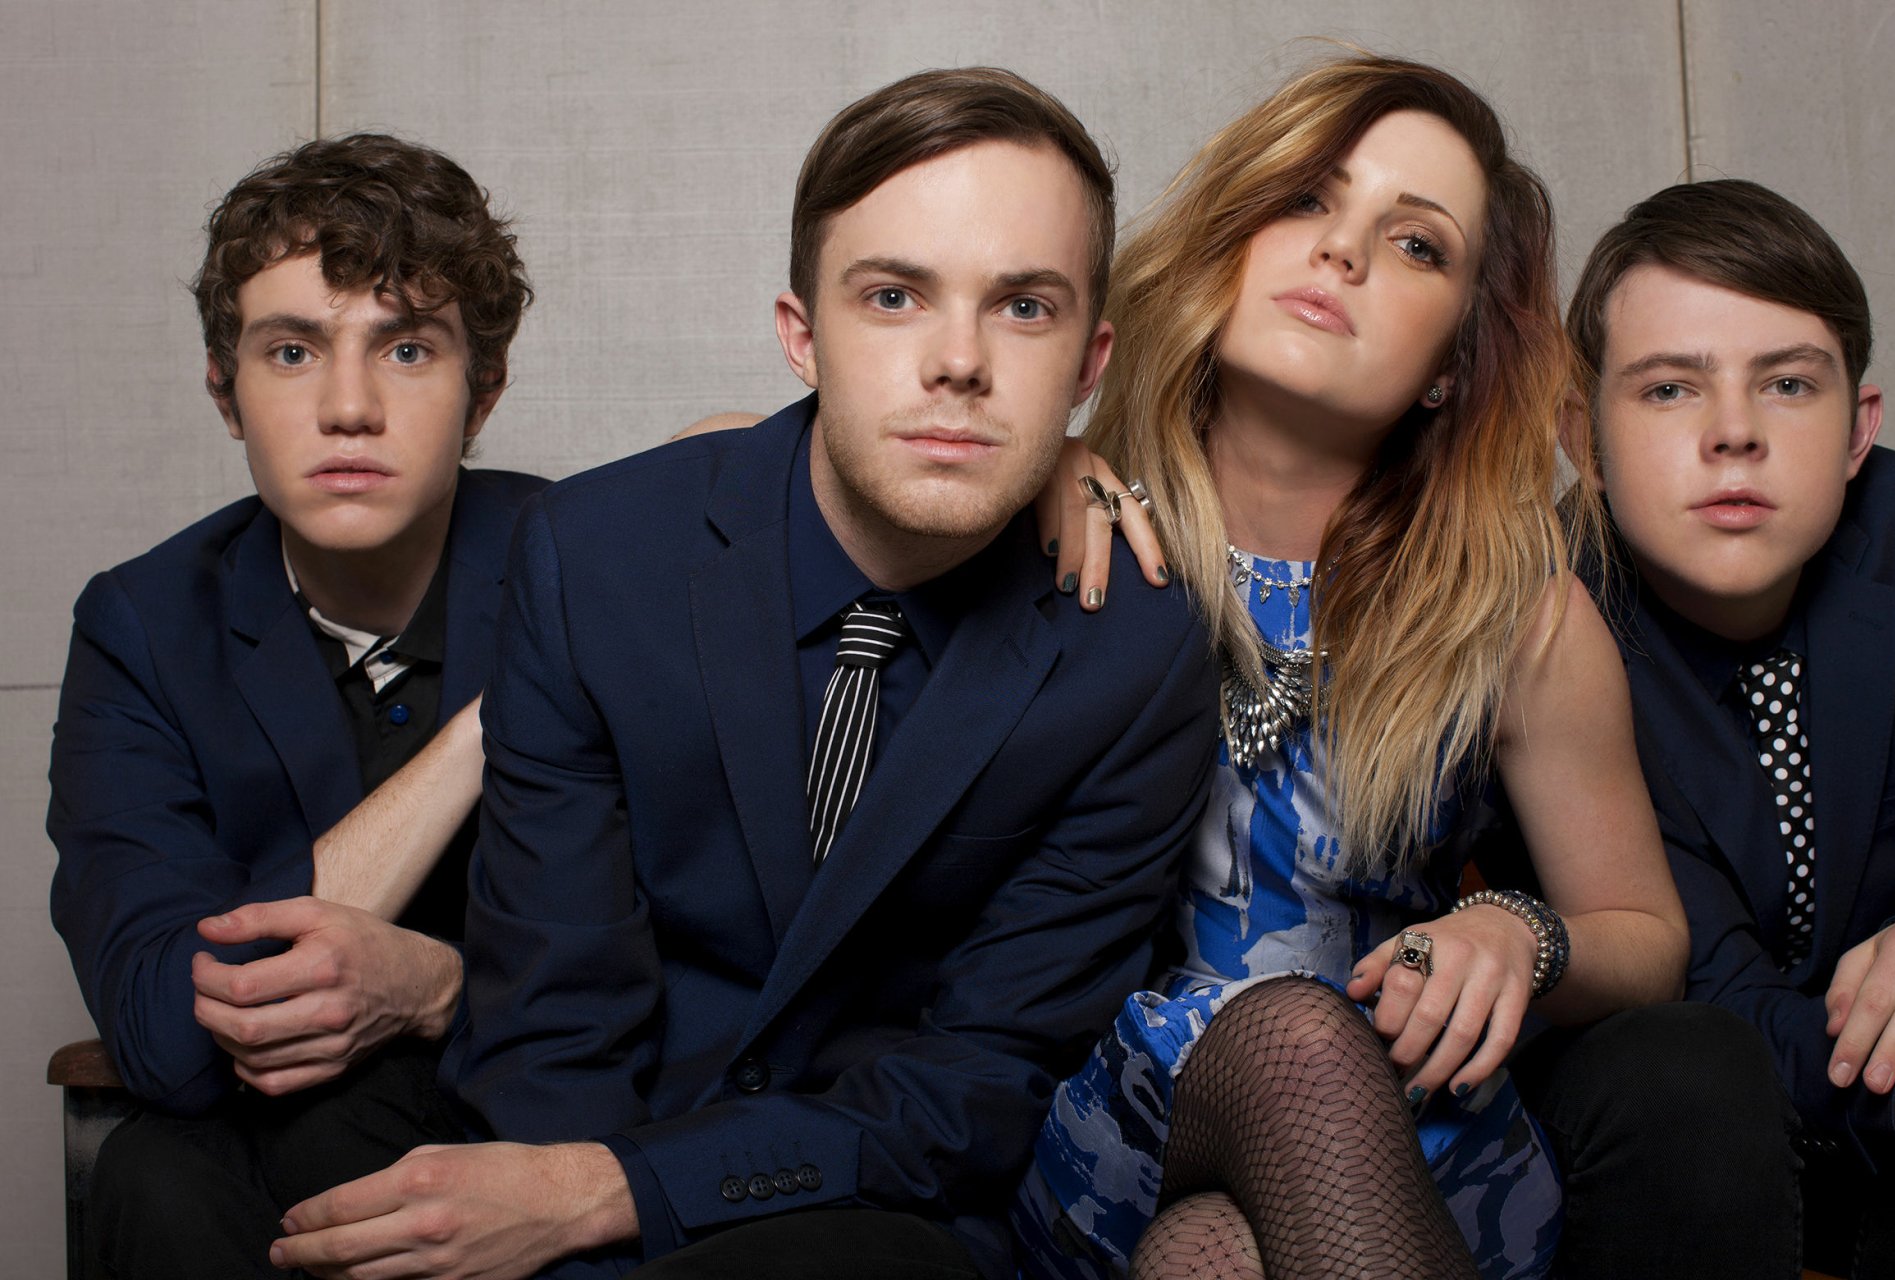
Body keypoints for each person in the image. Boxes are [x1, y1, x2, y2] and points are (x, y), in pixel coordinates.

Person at [268, 67, 1220, 1280]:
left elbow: (987, 1077)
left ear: (1090, 361)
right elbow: (554, 1008)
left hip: (889, 1212)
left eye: (1022, 308)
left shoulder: (1132, 649)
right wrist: (564, 1208)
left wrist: (609, 1193)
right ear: (800, 334)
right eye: (893, 296)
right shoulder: (599, 556)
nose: (959, 361)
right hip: (576, 1159)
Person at [1009, 54, 1688, 1280]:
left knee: (1213, 1257)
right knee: (1291, 1047)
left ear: (1450, 364)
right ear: (1232, 234)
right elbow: (752, 475)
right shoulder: (1074, 519)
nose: (1343, 252)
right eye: (1308, 199)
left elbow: (1646, 933)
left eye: (1417, 244)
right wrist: (1026, 457)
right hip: (1098, 1123)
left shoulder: (1513, 608)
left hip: (1404, 1132)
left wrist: (1516, 930)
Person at [45, 134, 542, 1276]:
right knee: (152, 1173)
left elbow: (716, 982)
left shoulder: (592, 565)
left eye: (407, 348)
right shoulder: (142, 625)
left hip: (529, 1128)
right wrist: (481, 726)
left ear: (484, 393)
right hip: (244, 1162)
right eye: (290, 351)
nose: (350, 406)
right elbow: (167, 1036)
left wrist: (436, 989)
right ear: (227, 393)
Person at [1553, 178, 1895, 1278]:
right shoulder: (1540, 628)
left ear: (1859, 428)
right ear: (1586, 436)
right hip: (1684, 1152)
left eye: (1789, 384)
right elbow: (1709, 1005)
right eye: (1669, 390)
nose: (1734, 435)